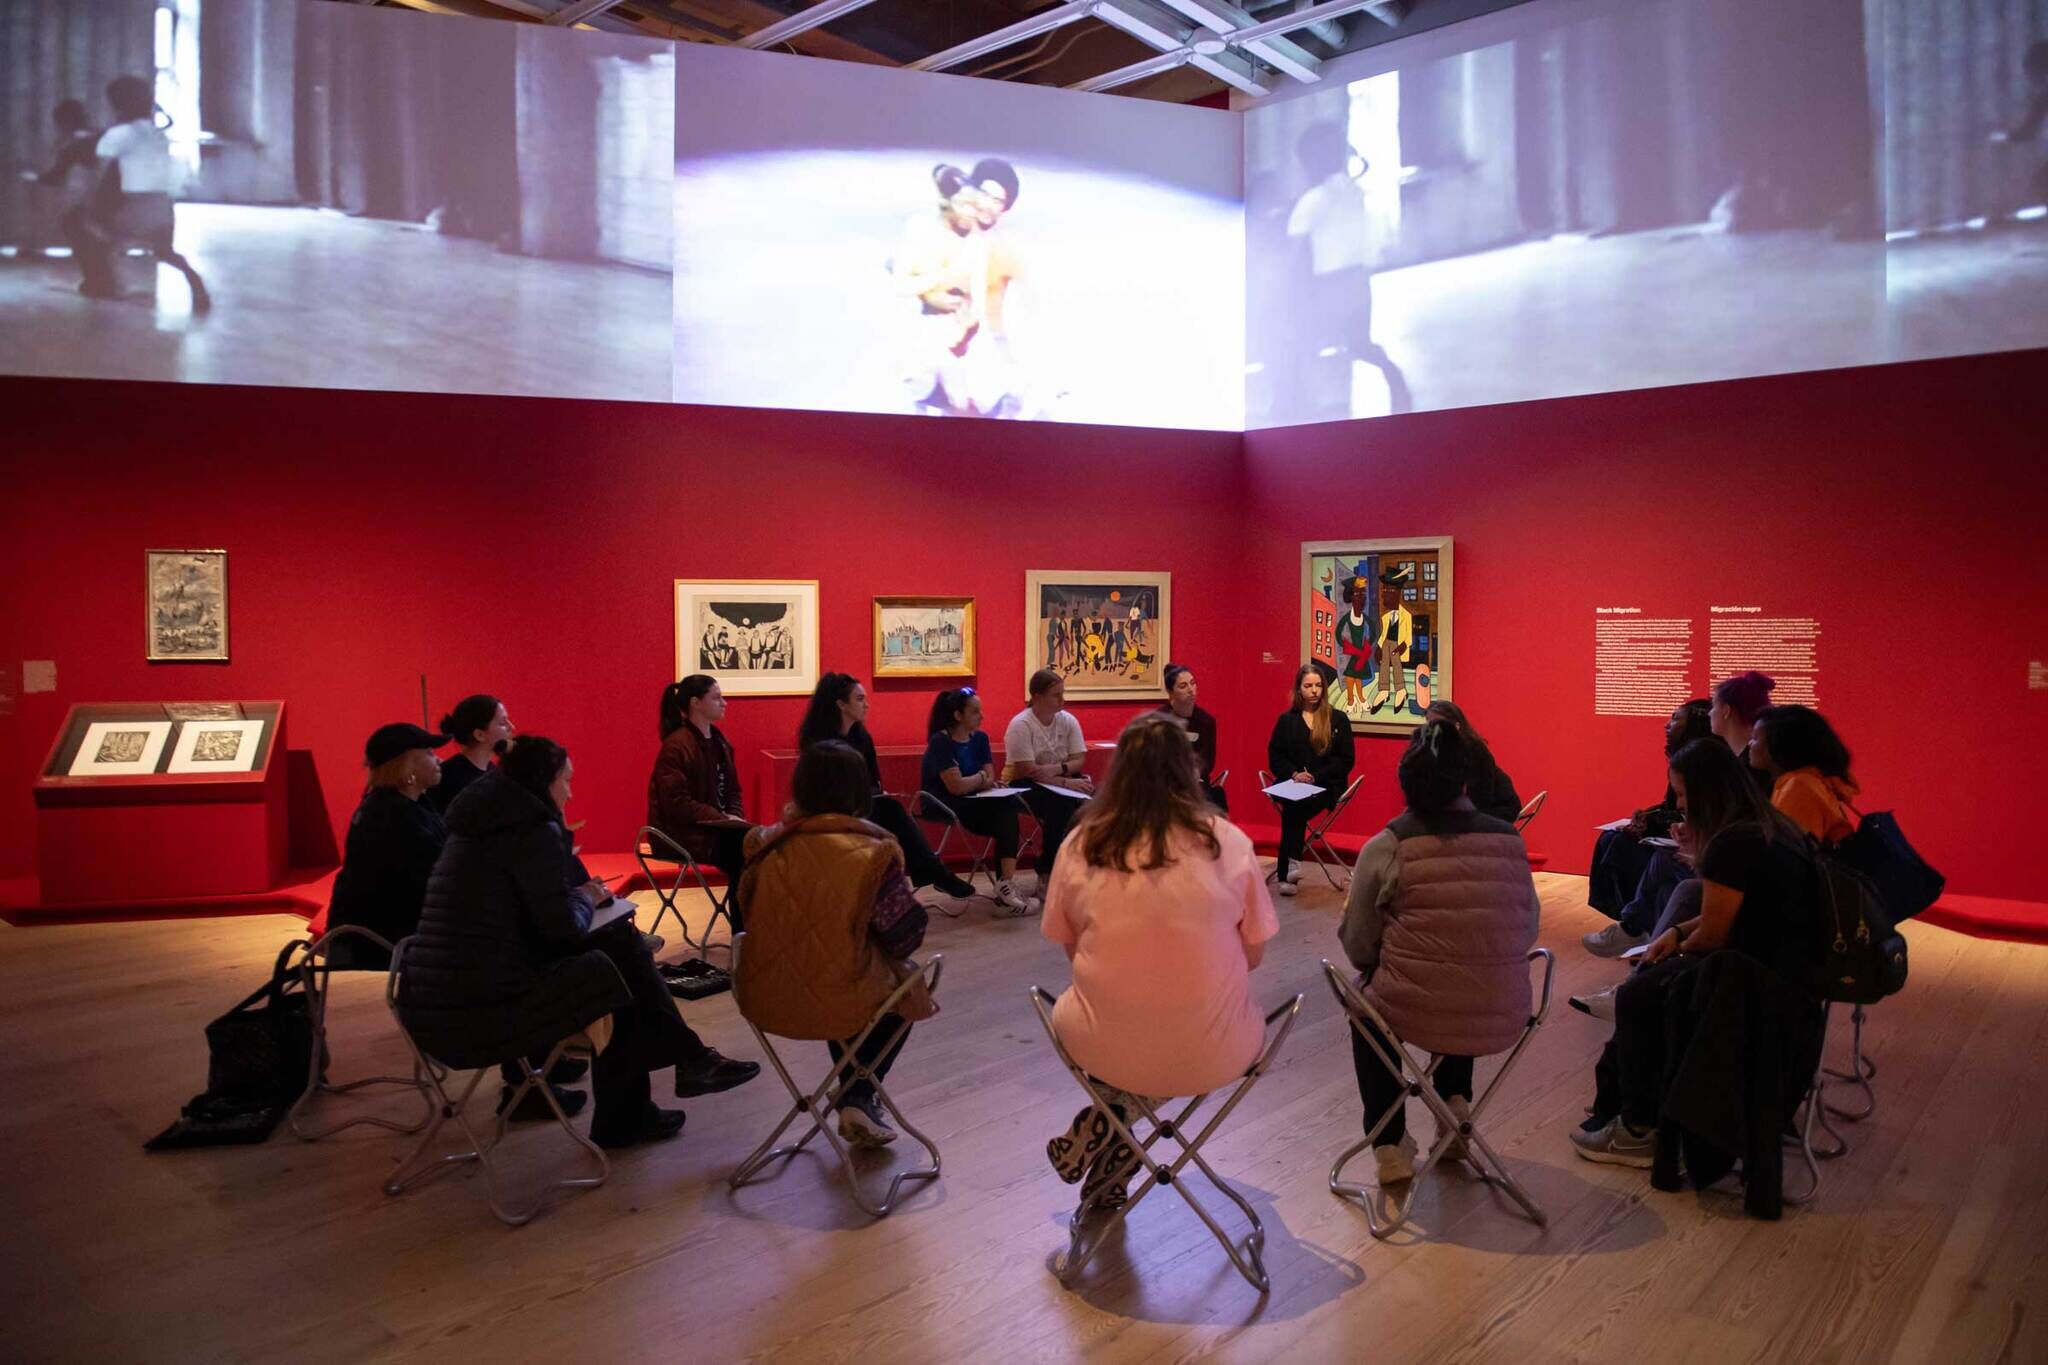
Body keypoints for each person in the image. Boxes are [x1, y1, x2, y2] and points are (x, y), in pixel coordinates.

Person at [402, 737, 757, 1148]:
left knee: (616, 951)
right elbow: (562, 927)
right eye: (566, 781)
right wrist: (586, 896)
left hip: (430, 1003)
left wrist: (577, 897)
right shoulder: (530, 829)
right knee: (615, 962)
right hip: (479, 1012)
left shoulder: (477, 825)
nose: (570, 792)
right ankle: (664, 1080)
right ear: (544, 782)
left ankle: (674, 1073)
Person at [1041, 714, 1279, 1208]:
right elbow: (1254, 954)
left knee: (1107, 1008)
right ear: (1189, 769)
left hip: (1101, 1041)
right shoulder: (1228, 843)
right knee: (1191, 1022)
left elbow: (1069, 947)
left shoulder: (1082, 844)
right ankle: (1117, 1129)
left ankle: (1112, 1121)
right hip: (1213, 1049)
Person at [1573, 738, 1824, 1167]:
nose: (1681, 804)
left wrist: (1677, 947)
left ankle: (1639, 1129)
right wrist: (1674, 932)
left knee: (1639, 996)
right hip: (1791, 974)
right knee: (1651, 976)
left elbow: (1714, 933)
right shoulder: (1768, 824)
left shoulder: (1733, 842)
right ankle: (1630, 1110)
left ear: (1707, 792)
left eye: (1684, 794)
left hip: (1756, 978)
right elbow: (1733, 910)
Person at [1339, 721, 1540, 1185]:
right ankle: (1455, 1104)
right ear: (1465, 781)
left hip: (1416, 1009)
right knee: (1464, 966)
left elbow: (1358, 943)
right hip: (1502, 1007)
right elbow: (1527, 928)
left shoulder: (1387, 846)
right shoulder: (1511, 841)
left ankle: (1388, 1143)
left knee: (1368, 1003)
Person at [736, 741, 937, 1149]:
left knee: (837, 965)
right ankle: (857, 1095)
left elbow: (743, 917)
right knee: (903, 982)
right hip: (836, 995)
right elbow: (904, 939)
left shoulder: (763, 845)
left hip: (762, 995)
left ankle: (854, 1096)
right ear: (860, 792)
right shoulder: (873, 854)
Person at [797, 673, 977, 899]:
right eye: (860, 699)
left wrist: (877, 793)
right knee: (892, 813)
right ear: (841, 704)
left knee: (891, 809)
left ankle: (928, 873)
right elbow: (816, 790)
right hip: (831, 810)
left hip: (863, 804)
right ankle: (933, 872)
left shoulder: (861, 737)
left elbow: (874, 780)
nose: (867, 705)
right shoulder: (818, 743)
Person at [1286, 120, 1411, 418]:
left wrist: (1291, 289)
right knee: (1359, 344)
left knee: (1304, 344)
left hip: (1327, 286)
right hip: (1357, 281)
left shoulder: (1312, 200)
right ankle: (1395, 381)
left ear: (1309, 162)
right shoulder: (1354, 191)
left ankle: (1308, 410)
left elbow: (1293, 250)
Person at [66, 76, 208, 312]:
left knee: (93, 230)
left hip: (136, 205)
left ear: (116, 105)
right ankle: (195, 282)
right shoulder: (157, 132)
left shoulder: (118, 134)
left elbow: (99, 171)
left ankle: (110, 287)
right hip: (163, 206)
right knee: (165, 252)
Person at [1584, 699, 1711, 950]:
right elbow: (1671, 806)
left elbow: (1685, 814)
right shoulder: (1686, 757)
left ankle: (1633, 928)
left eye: (1675, 719)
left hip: (1693, 848)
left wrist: (1652, 823)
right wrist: (1647, 817)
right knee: (1611, 840)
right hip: (1684, 841)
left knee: (1625, 848)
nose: (1667, 724)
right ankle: (1632, 927)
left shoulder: (1700, 762)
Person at [324, 723, 447, 965]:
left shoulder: (405, 805)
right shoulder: (392, 817)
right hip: (381, 944)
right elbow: (424, 882)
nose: (439, 760)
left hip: (381, 934)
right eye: (430, 754)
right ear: (407, 766)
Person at [920, 687, 1038, 915]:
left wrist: (978, 780)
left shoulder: (981, 739)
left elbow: (988, 777)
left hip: (974, 800)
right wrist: (981, 779)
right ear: (958, 715)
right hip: (943, 803)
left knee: (1007, 806)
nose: (982, 716)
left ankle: (1005, 885)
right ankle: (1006, 890)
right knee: (1004, 812)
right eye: (975, 712)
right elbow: (956, 787)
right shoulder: (940, 742)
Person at [649, 676, 756, 902]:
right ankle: (741, 930)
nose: (724, 703)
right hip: (683, 834)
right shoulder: (676, 747)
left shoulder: (721, 742)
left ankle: (752, 924)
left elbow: (733, 790)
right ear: (696, 703)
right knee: (742, 852)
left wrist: (735, 817)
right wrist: (721, 818)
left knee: (757, 844)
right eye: (716, 698)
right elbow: (677, 804)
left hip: (715, 829)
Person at [1266, 663, 1356, 895]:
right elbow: (1275, 757)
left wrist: (1316, 777)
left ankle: (1288, 870)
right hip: (1294, 783)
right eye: (1308, 686)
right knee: (1294, 802)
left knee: (1292, 808)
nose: (1314, 690)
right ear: (1299, 689)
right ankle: (1292, 867)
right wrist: (1295, 774)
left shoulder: (1338, 719)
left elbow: (1346, 760)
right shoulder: (1287, 721)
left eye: (1318, 685)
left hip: (1327, 786)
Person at [1003, 670, 1093, 881]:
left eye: (1063, 694)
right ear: (1036, 697)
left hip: (1058, 778)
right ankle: (1048, 869)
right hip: (1021, 785)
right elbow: (1028, 771)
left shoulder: (1068, 720)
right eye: (1056, 695)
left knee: (1092, 803)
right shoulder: (1021, 725)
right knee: (1061, 804)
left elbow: (1078, 759)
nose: (1062, 700)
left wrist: (1057, 770)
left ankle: (1081, 865)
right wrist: (1065, 781)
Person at [1749, 704, 1859, 845]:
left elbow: (1793, 853)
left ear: (1781, 745)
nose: (1750, 744)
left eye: (1755, 738)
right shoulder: (1811, 781)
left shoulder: (1798, 787)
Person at [1422, 700, 1522, 824]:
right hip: (1476, 811)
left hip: (1498, 809)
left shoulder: (1475, 750)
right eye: (1428, 724)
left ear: (1456, 726)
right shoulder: (1439, 752)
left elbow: (1481, 797)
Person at [1156, 662, 1226, 811]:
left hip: (1196, 781)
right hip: (1164, 783)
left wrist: (1194, 772)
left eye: (1193, 683)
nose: (1191, 690)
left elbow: (1208, 761)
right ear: (1170, 692)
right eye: (1183, 686)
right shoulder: (1158, 720)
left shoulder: (1207, 721)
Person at [428, 694, 513, 815]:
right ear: (479, 734)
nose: (511, 727)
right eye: (502, 723)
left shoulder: (497, 773)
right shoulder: (448, 778)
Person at [1333, 573, 1377, 711]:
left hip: (1362, 652)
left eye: (1362, 595)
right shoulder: (1347, 617)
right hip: (1352, 651)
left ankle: (1360, 699)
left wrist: (1368, 644)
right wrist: (1345, 645)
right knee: (1351, 675)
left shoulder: (1365, 618)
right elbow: (1338, 632)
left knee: (1357, 676)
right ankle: (1352, 700)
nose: (1361, 598)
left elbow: (1374, 631)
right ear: (1351, 598)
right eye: (1357, 594)